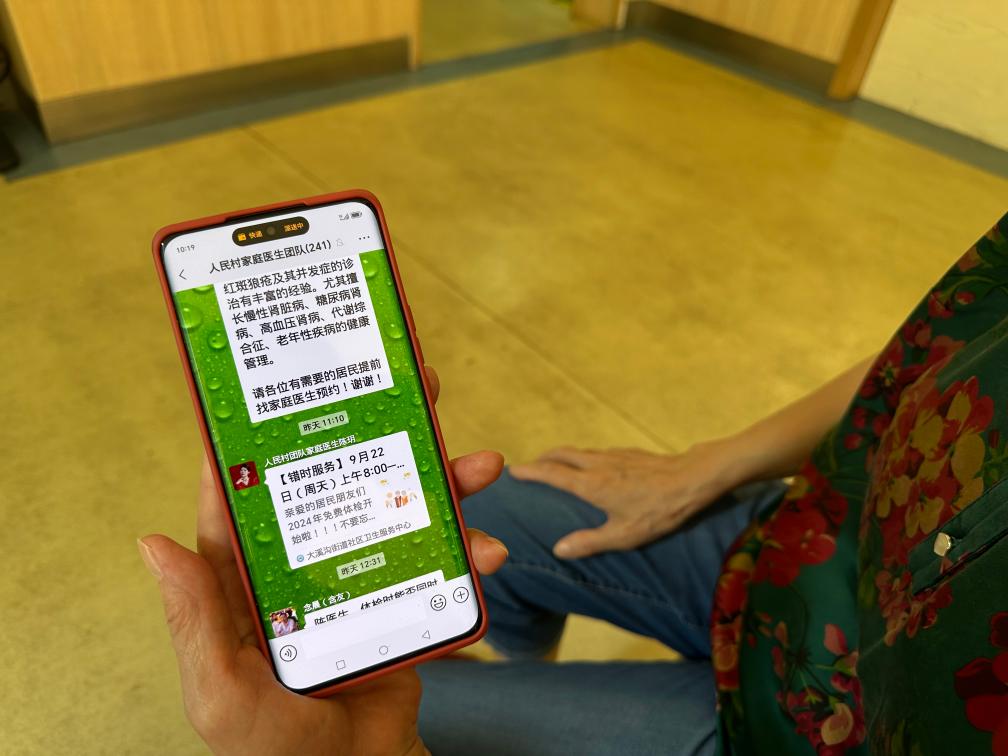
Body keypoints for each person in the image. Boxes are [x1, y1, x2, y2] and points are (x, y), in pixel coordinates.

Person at [141, 213, 1008, 756]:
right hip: (817, 541)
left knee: (369, 705)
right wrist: (710, 463)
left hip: (838, 732)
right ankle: (521, 659)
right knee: (488, 509)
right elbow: (935, 341)